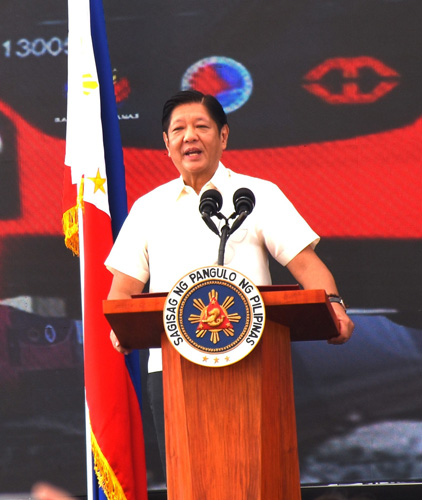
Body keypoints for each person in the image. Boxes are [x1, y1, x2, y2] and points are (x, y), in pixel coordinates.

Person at [105, 89, 355, 474]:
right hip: (172, 369)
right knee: (188, 481)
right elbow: (122, 291)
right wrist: (121, 327)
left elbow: (307, 266)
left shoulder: (257, 196)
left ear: (223, 136)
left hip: (253, 360)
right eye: (179, 129)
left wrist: (335, 305)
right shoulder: (147, 208)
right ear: (166, 144)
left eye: (201, 126)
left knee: (257, 476)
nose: (190, 136)